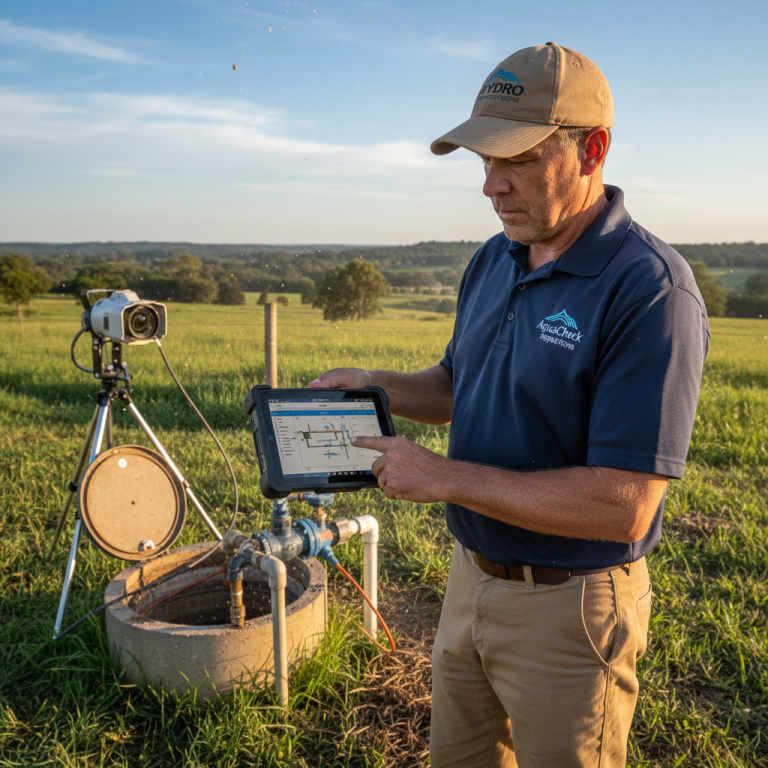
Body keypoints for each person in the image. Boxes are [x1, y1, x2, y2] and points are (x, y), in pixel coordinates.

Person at [310, 43, 709, 768]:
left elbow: (624, 505)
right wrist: (374, 386)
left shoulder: (649, 290)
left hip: (572, 606)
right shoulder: (496, 256)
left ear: (593, 150)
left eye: (518, 159)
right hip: (470, 581)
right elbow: (459, 386)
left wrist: (447, 478)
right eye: (484, 162)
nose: (492, 186)